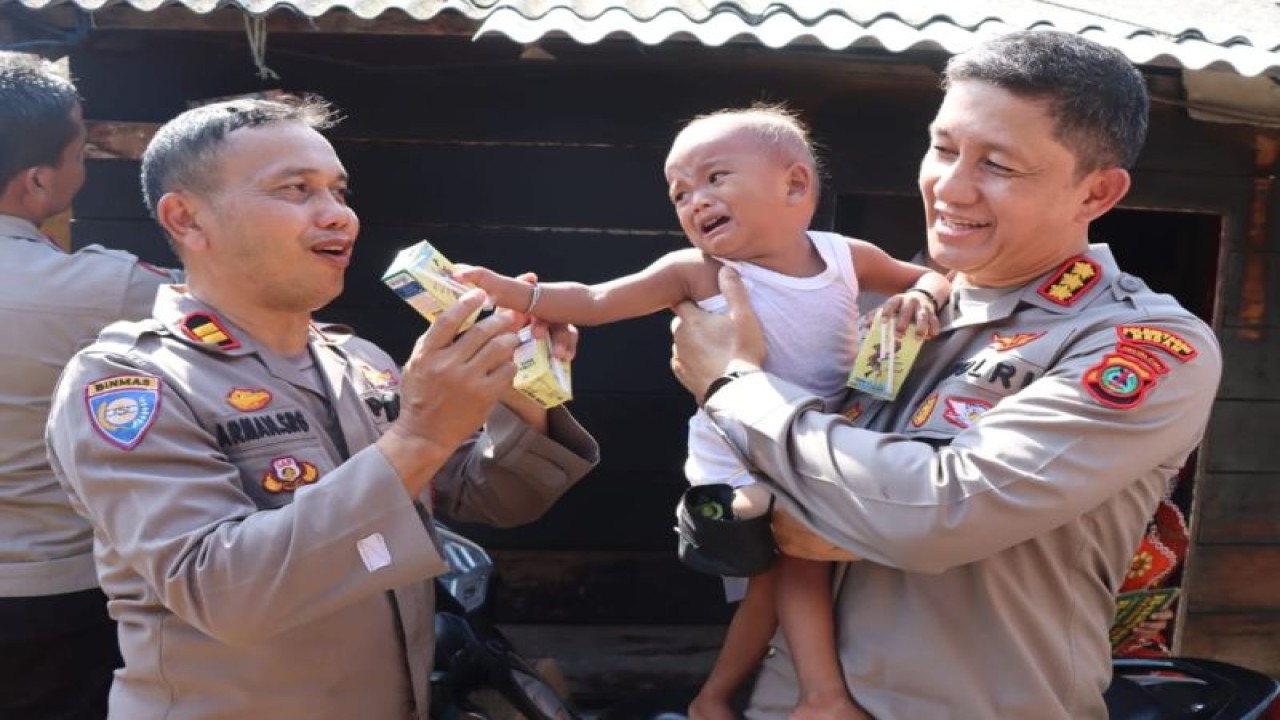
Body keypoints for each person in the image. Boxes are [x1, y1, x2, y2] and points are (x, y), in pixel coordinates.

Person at [668, 30, 1222, 720]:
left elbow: (941, 509)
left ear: (1096, 192)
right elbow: (765, 504)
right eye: (944, 147)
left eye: (1000, 165)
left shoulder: (1136, 343)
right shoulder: (885, 308)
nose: (950, 186)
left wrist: (732, 387)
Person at [44, 95, 599, 720]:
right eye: (296, 189)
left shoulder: (360, 361)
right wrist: (418, 437)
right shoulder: (129, 379)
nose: (338, 216)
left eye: (339, 191)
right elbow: (225, 595)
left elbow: (499, 498)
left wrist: (519, 390)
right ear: (187, 219)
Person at [456, 106, 950, 720]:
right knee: (795, 552)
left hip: (817, 432)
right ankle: (822, 696)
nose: (696, 200)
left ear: (796, 185)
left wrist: (919, 297)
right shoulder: (695, 271)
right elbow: (594, 299)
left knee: (770, 584)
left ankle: (712, 699)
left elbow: (932, 277)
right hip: (737, 447)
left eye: (716, 178)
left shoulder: (846, 256)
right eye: (680, 192)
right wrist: (517, 292)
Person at [0, 51, 181, 720]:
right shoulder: (106, 289)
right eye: (82, 154)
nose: (85, 168)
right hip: (53, 595)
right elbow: (235, 310)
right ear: (39, 181)